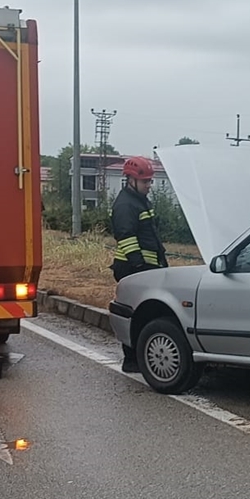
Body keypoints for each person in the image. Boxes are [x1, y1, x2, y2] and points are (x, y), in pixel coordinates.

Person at [110, 155, 167, 372]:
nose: (149, 185)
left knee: (145, 312)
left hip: (146, 266)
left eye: (150, 181)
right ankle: (131, 360)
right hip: (133, 268)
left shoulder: (139, 201)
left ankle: (138, 359)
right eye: (145, 181)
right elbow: (126, 237)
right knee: (135, 313)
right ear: (131, 180)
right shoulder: (125, 205)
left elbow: (149, 235)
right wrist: (139, 267)